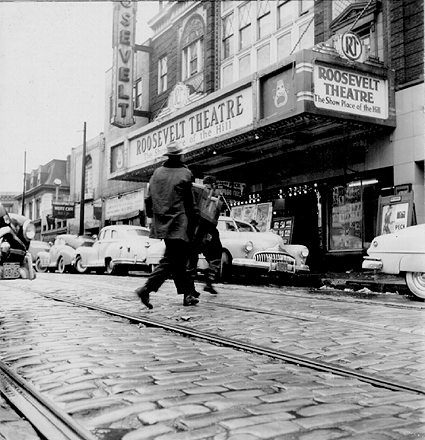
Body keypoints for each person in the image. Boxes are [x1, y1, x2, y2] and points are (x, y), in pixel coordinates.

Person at [135, 141, 199, 308]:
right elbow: (190, 203)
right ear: (180, 156)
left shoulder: (156, 173)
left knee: (177, 259)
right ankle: (147, 288)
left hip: (162, 222)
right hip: (179, 222)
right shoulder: (185, 173)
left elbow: (148, 200)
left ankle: (187, 295)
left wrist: (153, 216)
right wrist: (195, 221)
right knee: (172, 260)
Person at [187, 175, 223, 296]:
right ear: (213, 184)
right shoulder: (209, 195)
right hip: (206, 231)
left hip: (194, 231)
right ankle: (209, 279)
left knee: (192, 260)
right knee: (215, 254)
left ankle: (191, 288)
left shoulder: (196, 192)